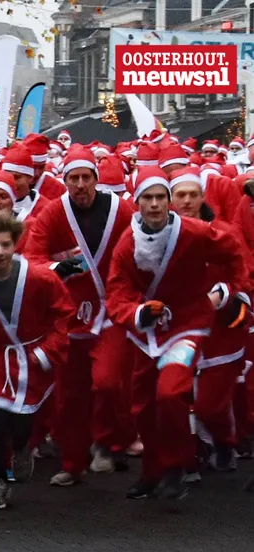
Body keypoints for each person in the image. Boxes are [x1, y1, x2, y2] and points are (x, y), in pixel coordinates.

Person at [107, 166, 248, 499]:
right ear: (137, 202)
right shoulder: (127, 243)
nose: (155, 204)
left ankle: (176, 465)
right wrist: (137, 313)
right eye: (148, 198)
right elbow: (117, 291)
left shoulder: (195, 231)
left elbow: (235, 254)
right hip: (147, 333)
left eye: (161, 197)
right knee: (142, 408)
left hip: (187, 326)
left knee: (171, 393)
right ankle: (152, 472)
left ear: (168, 201)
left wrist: (229, 290)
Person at [24, 147, 135, 485]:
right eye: (74, 178)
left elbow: (139, 249)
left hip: (111, 311)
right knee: (70, 394)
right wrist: (58, 267)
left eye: (86, 177)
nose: (81, 185)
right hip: (70, 315)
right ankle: (73, 463)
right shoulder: (52, 213)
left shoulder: (120, 210)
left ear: (96, 180)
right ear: (65, 180)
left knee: (108, 382)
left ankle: (106, 441)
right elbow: (32, 257)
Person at [0, 211, 74, 509]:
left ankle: (21, 449)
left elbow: (64, 314)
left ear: (16, 245)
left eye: (6, 245)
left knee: (21, 427)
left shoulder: (40, 277)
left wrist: (48, 350)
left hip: (32, 357)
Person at [169, 167, 253, 470]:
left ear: (203, 196)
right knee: (174, 396)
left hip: (219, 332)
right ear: (171, 199)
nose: (187, 201)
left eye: (193, 195)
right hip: (178, 329)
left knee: (209, 405)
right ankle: (191, 453)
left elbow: (243, 276)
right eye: (181, 195)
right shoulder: (161, 235)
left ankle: (223, 439)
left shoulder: (225, 232)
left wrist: (227, 294)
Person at [22, 134, 67, 200]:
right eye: (33, 167)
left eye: (41, 167)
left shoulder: (57, 189)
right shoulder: (12, 185)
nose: (37, 173)